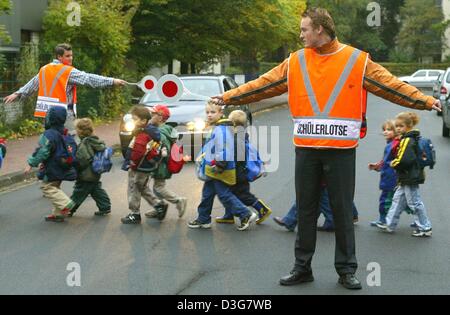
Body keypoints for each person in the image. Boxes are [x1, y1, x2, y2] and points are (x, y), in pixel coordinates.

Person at [212, 7, 441, 290]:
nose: (300, 34)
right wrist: (227, 97)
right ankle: (301, 268)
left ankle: (346, 270)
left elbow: (391, 85)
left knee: (342, 210)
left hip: (341, 149)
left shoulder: (357, 60)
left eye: (304, 29)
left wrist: (426, 102)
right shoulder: (295, 61)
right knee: (306, 210)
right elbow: (264, 84)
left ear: (320, 29)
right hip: (307, 149)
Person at [3, 43, 127, 133]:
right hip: (64, 116)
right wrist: (112, 81)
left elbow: (32, 84)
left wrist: (18, 93)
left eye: (71, 55)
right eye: (67, 56)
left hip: (47, 116)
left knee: (51, 143)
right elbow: (89, 79)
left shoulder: (44, 69)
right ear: (59, 57)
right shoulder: (67, 71)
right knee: (69, 145)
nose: (71, 58)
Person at [188, 101, 257, 231]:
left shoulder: (221, 129)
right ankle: (203, 219)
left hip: (219, 169)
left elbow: (224, 149)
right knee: (207, 194)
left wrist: (220, 165)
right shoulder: (218, 128)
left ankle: (245, 214)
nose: (209, 115)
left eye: (213, 112)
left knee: (224, 195)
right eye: (207, 112)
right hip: (213, 169)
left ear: (221, 113)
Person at [377, 112, 433, 237]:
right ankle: (389, 224)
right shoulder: (408, 138)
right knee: (397, 200)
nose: (398, 128)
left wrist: (393, 163)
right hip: (406, 176)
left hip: (410, 176)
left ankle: (425, 226)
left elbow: (404, 159)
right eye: (396, 126)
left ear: (409, 126)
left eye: (401, 126)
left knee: (414, 202)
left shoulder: (407, 140)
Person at [215, 110, 272, 225]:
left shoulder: (237, 138)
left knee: (242, 195)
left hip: (239, 173)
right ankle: (228, 215)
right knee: (230, 193)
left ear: (233, 123)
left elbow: (235, 157)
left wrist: (223, 164)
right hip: (241, 171)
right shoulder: (241, 135)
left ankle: (262, 209)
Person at [25, 107, 76, 222]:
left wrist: (31, 163)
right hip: (62, 165)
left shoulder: (49, 134)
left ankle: (66, 203)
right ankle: (58, 214)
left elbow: (43, 151)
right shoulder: (63, 132)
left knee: (47, 187)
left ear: (50, 118)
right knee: (55, 187)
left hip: (53, 167)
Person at [121, 106, 168, 224]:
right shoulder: (149, 131)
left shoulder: (143, 133)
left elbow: (137, 152)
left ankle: (134, 214)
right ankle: (158, 205)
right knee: (141, 187)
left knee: (134, 188)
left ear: (143, 121)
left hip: (138, 166)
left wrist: (131, 163)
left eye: (135, 119)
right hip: (145, 166)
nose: (132, 121)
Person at [143, 105, 190, 220]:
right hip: (161, 164)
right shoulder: (165, 129)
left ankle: (178, 201)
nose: (151, 116)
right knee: (157, 188)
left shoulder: (160, 133)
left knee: (159, 187)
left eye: (153, 114)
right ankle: (159, 206)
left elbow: (164, 151)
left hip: (161, 165)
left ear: (160, 117)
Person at [69, 118, 111, 217]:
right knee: (95, 189)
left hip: (86, 173)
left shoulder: (85, 143)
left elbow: (82, 159)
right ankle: (105, 206)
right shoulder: (95, 140)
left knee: (79, 192)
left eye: (76, 129)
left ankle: (69, 209)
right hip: (95, 171)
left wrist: (76, 166)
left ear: (80, 131)